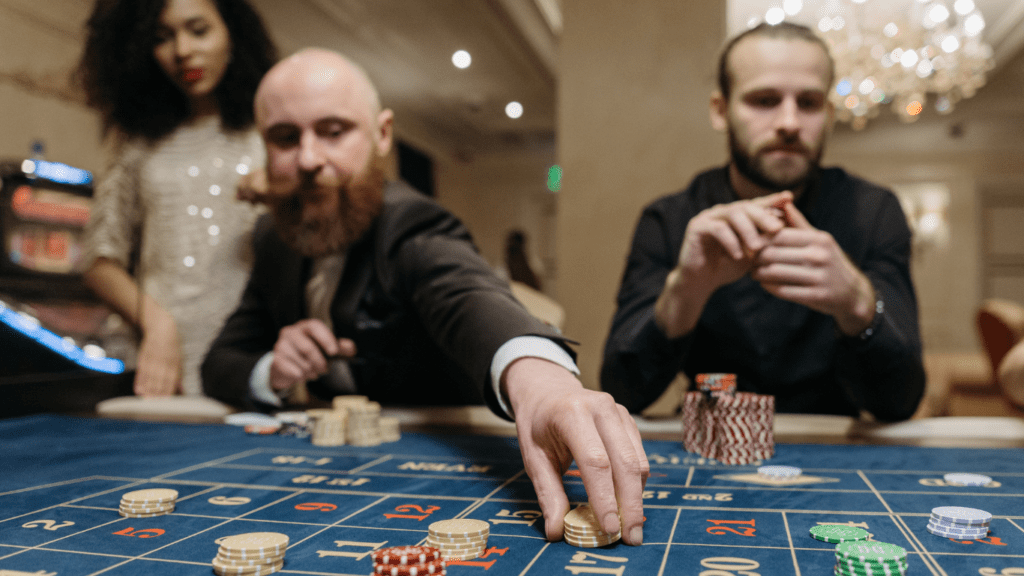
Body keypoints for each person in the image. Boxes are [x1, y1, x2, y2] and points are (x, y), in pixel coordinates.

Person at [201, 48, 648, 545]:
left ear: (382, 135)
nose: (308, 159)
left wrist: (541, 384)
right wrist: (273, 370)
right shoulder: (273, 238)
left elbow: (466, 294)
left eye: (333, 131)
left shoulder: (412, 225)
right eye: (285, 138)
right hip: (320, 481)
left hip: (432, 473)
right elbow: (221, 361)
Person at [601, 22, 926, 421]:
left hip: (835, 437)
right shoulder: (670, 218)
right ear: (720, 111)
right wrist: (684, 292)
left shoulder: (873, 211)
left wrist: (856, 301)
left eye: (808, 103)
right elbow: (622, 391)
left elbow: (899, 402)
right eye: (764, 100)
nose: (789, 122)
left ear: (827, 113)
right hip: (710, 432)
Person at [76, 0, 277, 396]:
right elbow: (99, 261)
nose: (182, 50)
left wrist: (284, 197)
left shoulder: (271, 131)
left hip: (251, 359)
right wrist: (157, 323)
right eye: (162, 38)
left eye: (198, 30)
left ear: (233, 33)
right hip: (159, 364)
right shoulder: (135, 141)